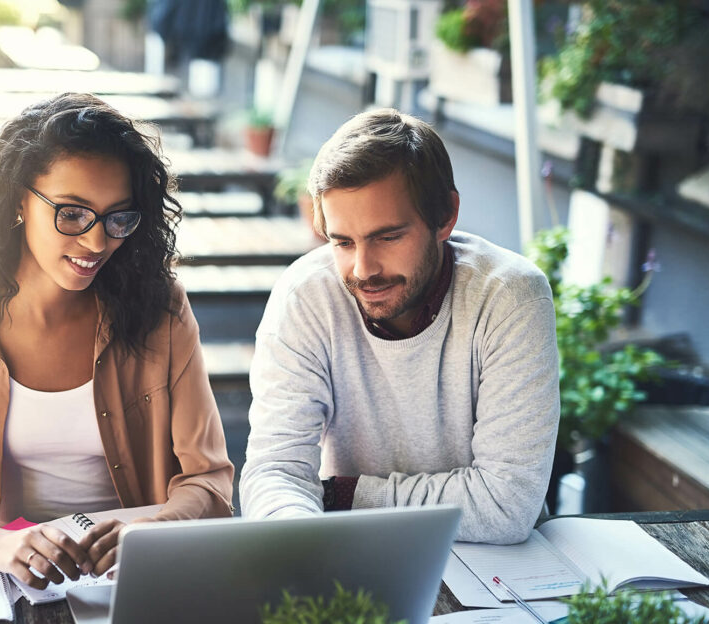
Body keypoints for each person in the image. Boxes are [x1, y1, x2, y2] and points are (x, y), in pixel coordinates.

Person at [0, 93, 234, 589]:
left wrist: (152, 533)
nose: (97, 242)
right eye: (73, 214)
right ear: (19, 199)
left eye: (118, 217)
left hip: (130, 580)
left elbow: (209, 481)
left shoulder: (160, 309)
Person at [239, 108, 558, 543]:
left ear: (445, 216)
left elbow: (506, 504)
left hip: (500, 571)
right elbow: (274, 472)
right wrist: (300, 545)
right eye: (343, 242)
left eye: (387, 237)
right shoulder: (306, 298)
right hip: (354, 552)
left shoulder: (510, 297)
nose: (363, 269)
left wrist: (344, 496)